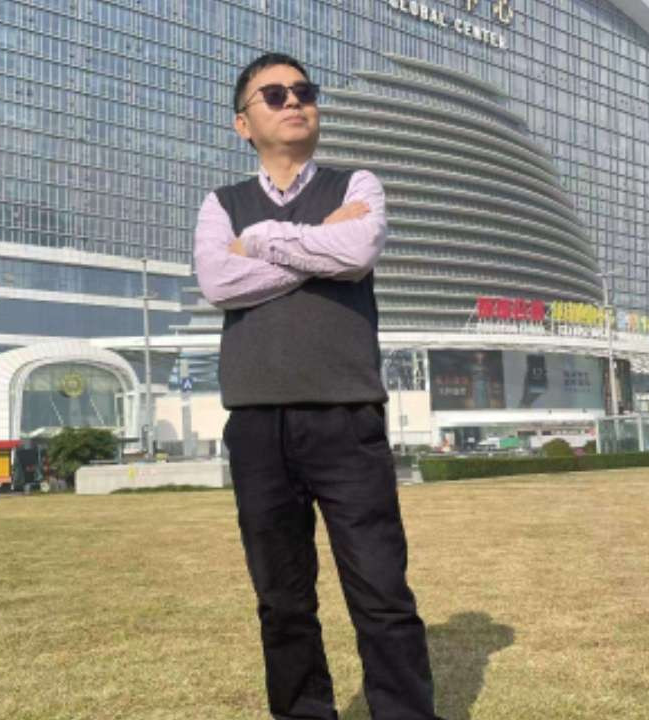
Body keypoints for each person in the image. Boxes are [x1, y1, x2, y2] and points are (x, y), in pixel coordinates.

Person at [195, 53, 443, 720]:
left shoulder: (356, 183)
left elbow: (357, 252)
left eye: (303, 91)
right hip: (257, 423)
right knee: (282, 599)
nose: (294, 101)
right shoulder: (221, 203)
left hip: (346, 415)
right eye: (273, 94)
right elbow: (218, 282)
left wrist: (261, 240)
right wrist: (315, 247)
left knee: (381, 592)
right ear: (243, 123)